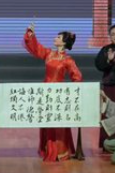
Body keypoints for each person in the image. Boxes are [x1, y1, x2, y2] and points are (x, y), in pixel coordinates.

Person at [24, 23, 83, 161]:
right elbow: (36, 48)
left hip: (58, 94)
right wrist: (31, 34)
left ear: (64, 42)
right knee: (47, 120)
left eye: (58, 37)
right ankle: (48, 149)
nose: (55, 38)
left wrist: (71, 93)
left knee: (58, 122)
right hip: (45, 91)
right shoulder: (49, 54)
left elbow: (77, 76)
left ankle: (61, 151)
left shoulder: (68, 60)